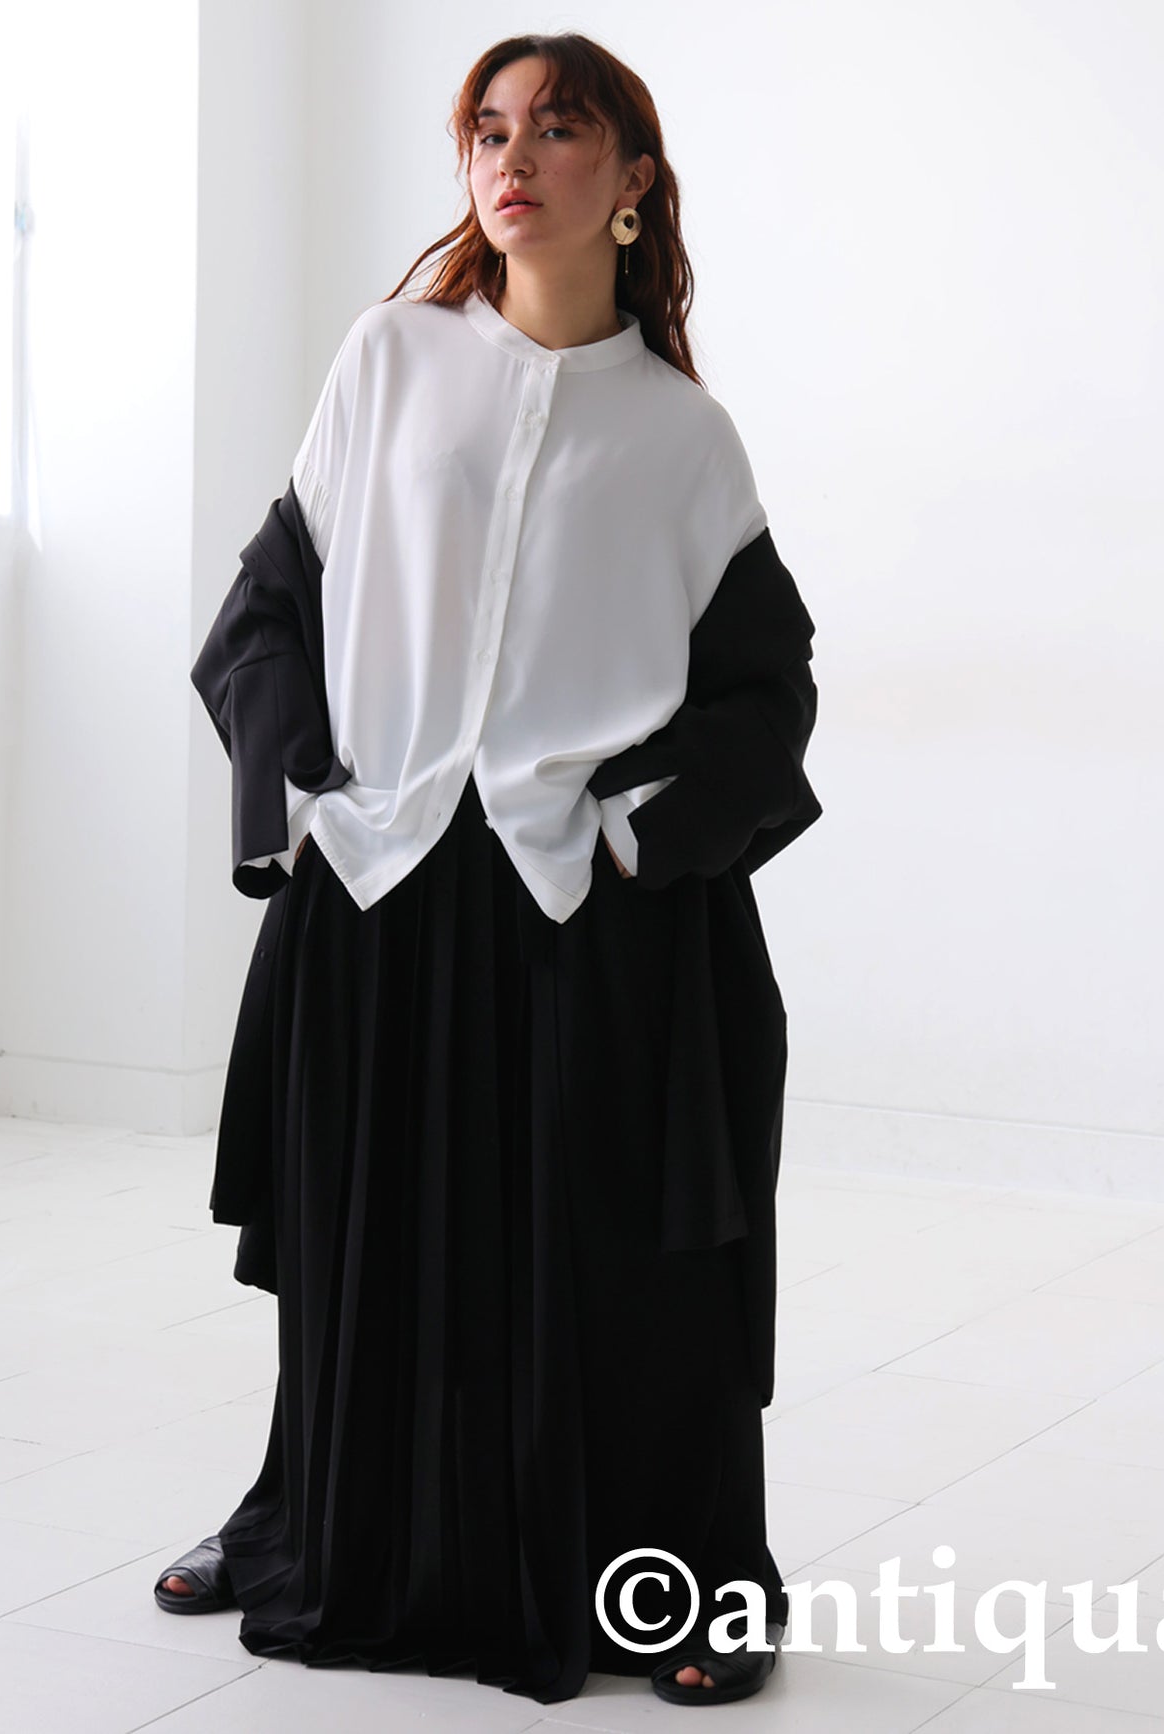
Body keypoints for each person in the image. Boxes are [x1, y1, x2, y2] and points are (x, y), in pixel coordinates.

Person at [153, 28, 822, 1710]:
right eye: (488, 131)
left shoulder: (682, 437)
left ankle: (680, 1583)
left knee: (624, 1275)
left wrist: (631, 825)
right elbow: (267, 606)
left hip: (580, 908)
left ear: (630, 183)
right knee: (364, 1248)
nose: (511, 159)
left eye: (557, 131)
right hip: (382, 888)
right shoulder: (386, 360)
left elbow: (766, 692)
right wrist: (314, 782)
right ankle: (310, 1514)